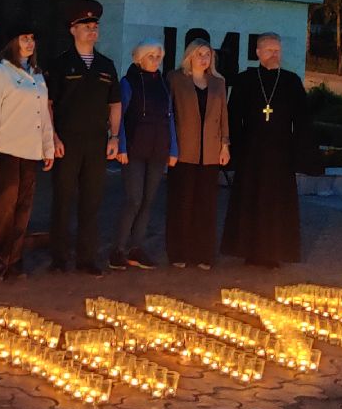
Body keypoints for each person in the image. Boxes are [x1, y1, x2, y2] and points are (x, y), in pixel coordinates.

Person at [221, 32, 314, 268]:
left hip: (281, 153)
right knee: (250, 200)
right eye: (270, 50)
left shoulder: (291, 81)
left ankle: (274, 251)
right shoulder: (245, 80)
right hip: (251, 152)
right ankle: (249, 249)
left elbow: (302, 119)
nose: (275, 55)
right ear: (258, 53)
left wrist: (302, 153)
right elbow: (233, 117)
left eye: (278, 50)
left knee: (277, 204)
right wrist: (231, 147)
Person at [44, 0, 121, 276]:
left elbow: (115, 103)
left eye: (95, 25)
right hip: (67, 140)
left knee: (92, 200)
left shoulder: (106, 65)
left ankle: (87, 257)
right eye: (86, 26)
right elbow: (49, 104)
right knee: (63, 200)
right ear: (73, 30)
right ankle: (59, 257)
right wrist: (52, 137)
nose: (92, 29)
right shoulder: (60, 64)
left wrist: (114, 137)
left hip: (96, 141)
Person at [0, 28, 56, 280]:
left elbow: (42, 114)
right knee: (3, 205)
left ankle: (14, 257)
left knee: (23, 206)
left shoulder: (37, 75)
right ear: (12, 42)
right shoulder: (0, 72)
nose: (30, 43)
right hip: (6, 148)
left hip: (30, 150)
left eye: (32, 38)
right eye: (24, 38)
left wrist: (47, 146)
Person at [109, 40, 178, 271]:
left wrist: (173, 149)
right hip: (135, 150)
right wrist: (121, 146)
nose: (156, 60)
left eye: (159, 56)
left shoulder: (163, 84)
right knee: (134, 199)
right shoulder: (128, 83)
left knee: (148, 200)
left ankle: (136, 247)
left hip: (158, 150)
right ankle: (118, 248)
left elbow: (169, 118)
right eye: (151, 56)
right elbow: (122, 117)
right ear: (139, 58)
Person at [166, 38, 230, 269]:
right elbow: (169, 114)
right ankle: (178, 252)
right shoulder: (176, 79)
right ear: (190, 56)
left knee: (206, 204)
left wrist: (225, 144)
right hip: (184, 151)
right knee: (182, 202)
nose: (204, 58)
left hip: (210, 152)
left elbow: (223, 115)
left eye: (208, 54)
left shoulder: (218, 83)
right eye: (199, 54)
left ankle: (203, 253)